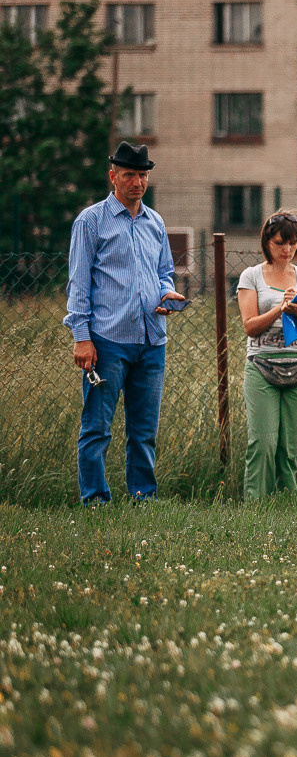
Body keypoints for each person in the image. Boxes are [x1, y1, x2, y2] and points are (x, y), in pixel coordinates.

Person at [64, 142, 186, 504]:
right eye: (129, 174)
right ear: (113, 176)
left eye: (143, 174)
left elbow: (164, 272)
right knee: (98, 428)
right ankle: (96, 500)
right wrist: (81, 338)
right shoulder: (91, 221)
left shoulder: (155, 222)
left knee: (144, 430)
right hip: (107, 341)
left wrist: (167, 294)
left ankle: (143, 498)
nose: (137, 182)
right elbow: (78, 284)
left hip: (152, 340)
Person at [237, 209, 297, 499]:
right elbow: (250, 327)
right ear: (266, 242)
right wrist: (279, 309)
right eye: (279, 243)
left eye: (293, 243)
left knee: (291, 445)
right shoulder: (251, 276)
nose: (287, 250)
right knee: (263, 443)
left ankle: (286, 505)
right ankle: (256, 507)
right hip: (262, 366)